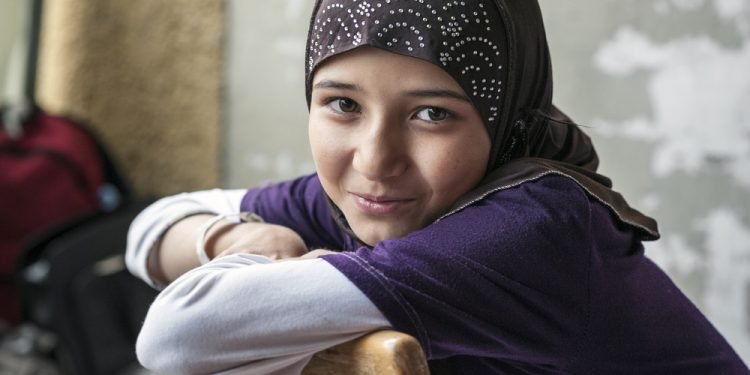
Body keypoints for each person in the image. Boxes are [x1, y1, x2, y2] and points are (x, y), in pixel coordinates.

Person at [126, 0, 749, 374]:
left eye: (432, 114)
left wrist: (264, 272)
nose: (375, 159)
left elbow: (176, 336)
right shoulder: (378, 203)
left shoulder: (532, 230)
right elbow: (152, 229)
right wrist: (240, 235)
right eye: (342, 103)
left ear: (505, 117)